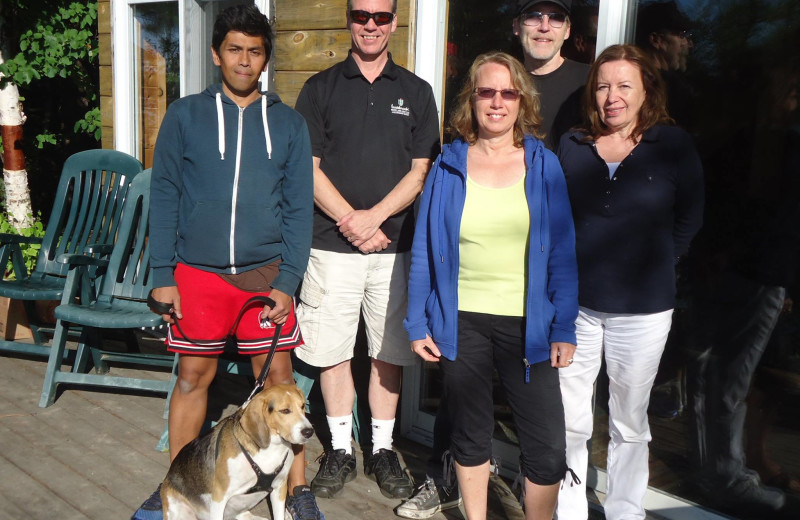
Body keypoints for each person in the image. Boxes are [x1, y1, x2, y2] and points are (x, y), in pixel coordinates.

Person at [395, 4, 589, 518]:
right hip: (463, 323)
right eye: (486, 91)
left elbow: (563, 254)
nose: (497, 102)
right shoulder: (447, 165)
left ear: (521, 99)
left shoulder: (543, 164)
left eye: (508, 92)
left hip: (530, 326)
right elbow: (424, 253)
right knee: (469, 433)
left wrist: (564, 325)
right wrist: (418, 322)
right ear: (472, 98)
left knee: (546, 445)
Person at [132, 5, 323, 520]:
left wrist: (289, 280)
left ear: (266, 59)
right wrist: (162, 275)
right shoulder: (185, 115)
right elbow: (167, 194)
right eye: (235, 49)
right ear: (217, 54)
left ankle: (296, 492)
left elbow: (298, 207)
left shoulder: (287, 124)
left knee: (279, 381)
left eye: (255, 52)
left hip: (265, 275)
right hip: (198, 273)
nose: (244, 60)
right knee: (194, 376)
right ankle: (176, 486)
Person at [293, 0, 441, 502]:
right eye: (362, 15)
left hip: (394, 249)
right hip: (330, 247)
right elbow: (308, 170)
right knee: (332, 351)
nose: (371, 25)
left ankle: (380, 449)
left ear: (394, 22)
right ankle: (339, 448)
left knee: (387, 352)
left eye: (381, 17)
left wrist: (373, 219)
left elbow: (421, 171)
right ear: (349, 21)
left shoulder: (417, 93)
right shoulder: (320, 89)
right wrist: (352, 223)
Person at [555, 44, 704, 520]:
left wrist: (659, 260)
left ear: (645, 93)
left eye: (624, 86)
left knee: (629, 420)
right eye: (602, 86)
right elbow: (555, 220)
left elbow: (691, 219)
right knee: (570, 419)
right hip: (576, 308)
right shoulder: (573, 146)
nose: (612, 96)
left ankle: (624, 510)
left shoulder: (673, 146)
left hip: (643, 312)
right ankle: (570, 507)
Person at [513, 0, 590, 150]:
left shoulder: (590, 82)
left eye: (556, 18)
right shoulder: (500, 85)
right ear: (516, 26)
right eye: (534, 16)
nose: (544, 27)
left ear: (567, 30)